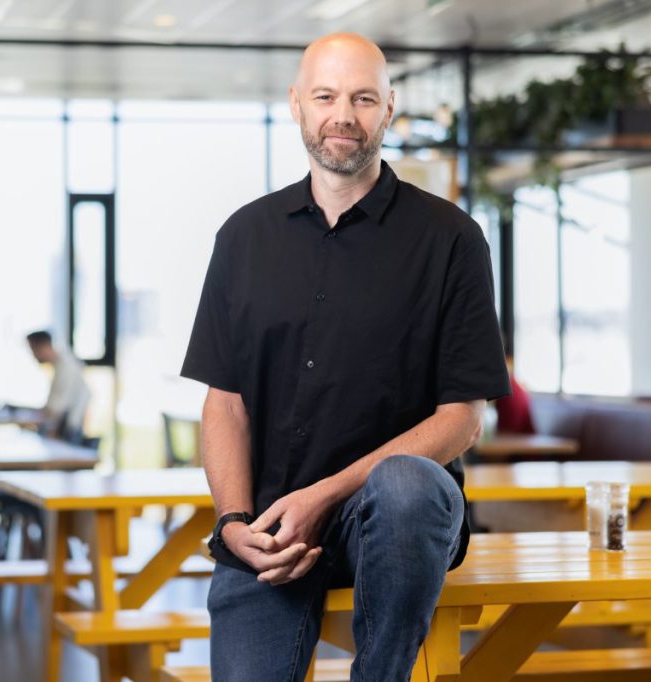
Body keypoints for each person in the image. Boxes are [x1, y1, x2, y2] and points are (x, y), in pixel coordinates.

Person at [180, 33, 510, 681]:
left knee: (408, 481)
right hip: (271, 531)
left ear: (389, 109)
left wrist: (325, 495)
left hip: (394, 528)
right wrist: (235, 521)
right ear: (297, 105)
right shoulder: (244, 236)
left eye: (363, 98)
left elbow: (463, 418)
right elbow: (225, 402)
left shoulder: (451, 240)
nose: (343, 115)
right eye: (326, 96)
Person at [21, 330, 91, 440]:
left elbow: (56, 408)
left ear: (43, 346)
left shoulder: (66, 367)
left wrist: (30, 418)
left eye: (33, 349)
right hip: (65, 428)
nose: (33, 355)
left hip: (67, 431)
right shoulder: (61, 365)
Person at [495, 355, 536, 434]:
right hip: (523, 438)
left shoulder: (507, 390)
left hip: (514, 438)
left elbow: (506, 429)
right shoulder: (518, 387)